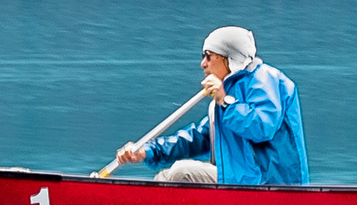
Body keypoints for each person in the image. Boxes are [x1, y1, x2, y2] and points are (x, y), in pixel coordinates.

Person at [118, 26, 309, 186]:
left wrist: (224, 101)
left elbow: (262, 127)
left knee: (179, 174)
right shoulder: (228, 91)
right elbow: (198, 138)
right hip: (241, 180)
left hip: (269, 186)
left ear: (229, 58)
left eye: (208, 56)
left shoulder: (265, 80)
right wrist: (148, 151)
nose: (203, 64)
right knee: (172, 175)